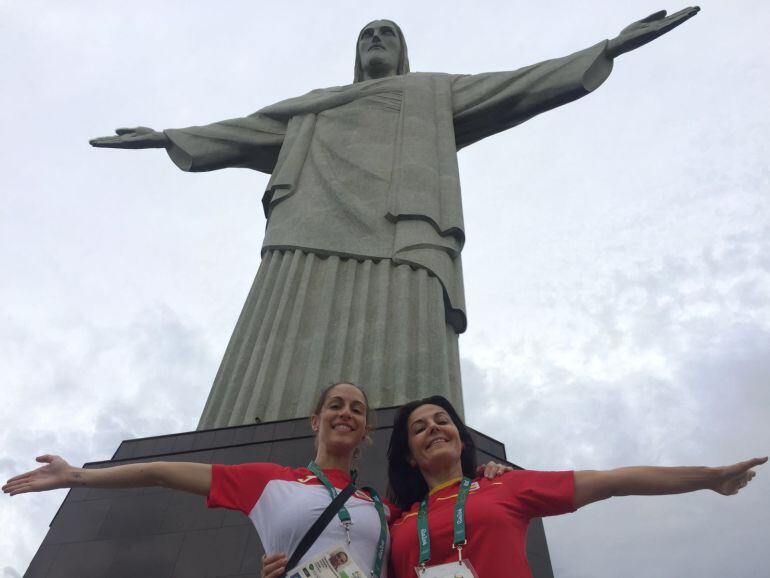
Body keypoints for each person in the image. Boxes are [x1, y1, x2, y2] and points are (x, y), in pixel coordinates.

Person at [88, 9, 701, 428]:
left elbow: (520, 86)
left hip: (405, 231)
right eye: (366, 34)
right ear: (356, 53)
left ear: (403, 51)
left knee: (404, 353)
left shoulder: (432, 94)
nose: (376, 38)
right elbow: (239, 130)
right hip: (305, 233)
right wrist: (165, 136)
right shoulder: (313, 107)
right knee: (275, 342)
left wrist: (609, 47)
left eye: (387, 32)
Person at [3, 383, 510, 577]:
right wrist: (78, 476)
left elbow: (434, 531)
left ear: (366, 431)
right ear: (316, 420)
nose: (345, 413)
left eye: (357, 410)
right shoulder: (269, 481)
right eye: (335, 405)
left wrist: (486, 476)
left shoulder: (381, 507)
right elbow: (160, 471)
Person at [378, 395, 764, 578]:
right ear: (411, 455)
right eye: (419, 427)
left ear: (461, 441)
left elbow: (614, 481)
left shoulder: (505, 486)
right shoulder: (394, 522)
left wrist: (709, 478)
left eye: (442, 420)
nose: (433, 428)